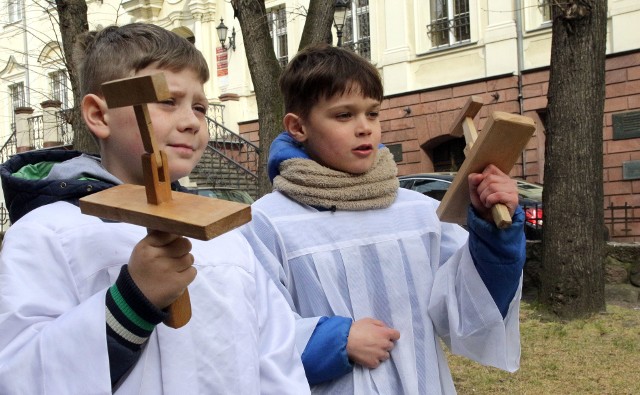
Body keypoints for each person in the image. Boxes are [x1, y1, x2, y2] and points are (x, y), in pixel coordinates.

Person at [0, 23, 309, 395]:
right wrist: (133, 301)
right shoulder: (46, 234)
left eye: (199, 107)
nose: (192, 122)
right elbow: (20, 374)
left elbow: (276, 356)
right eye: (167, 101)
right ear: (99, 115)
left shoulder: (226, 235)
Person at [240, 43, 526, 394]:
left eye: (372, 113)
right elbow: (249, 334)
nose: (364, 128)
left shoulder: (419, 212)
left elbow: (469, 311)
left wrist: (494, 234)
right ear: (298, 127)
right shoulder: (267, 222)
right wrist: (335, 341)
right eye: (344, 115)